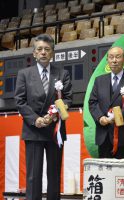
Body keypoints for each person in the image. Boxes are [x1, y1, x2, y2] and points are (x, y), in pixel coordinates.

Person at [15, 34, 72, 200]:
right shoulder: (24, 74)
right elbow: (20, 101)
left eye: (47, 49)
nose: (43, 52)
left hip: (55, 130)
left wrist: (54, 115)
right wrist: (35, 119)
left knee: (54, 174)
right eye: (39, 49)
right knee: (33, 176)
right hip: (33, 129)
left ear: (52, 53)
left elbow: (68, 98)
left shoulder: (63, 73)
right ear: (34, 53)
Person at [89, 46, 124, 159]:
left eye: (118, 57)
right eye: (111, 57)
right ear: (107, 60)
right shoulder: (99, 80)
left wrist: (117, 116)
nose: (114, 60)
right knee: (105, 174)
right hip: (103, 135)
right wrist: (100, 118)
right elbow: (93, 102)